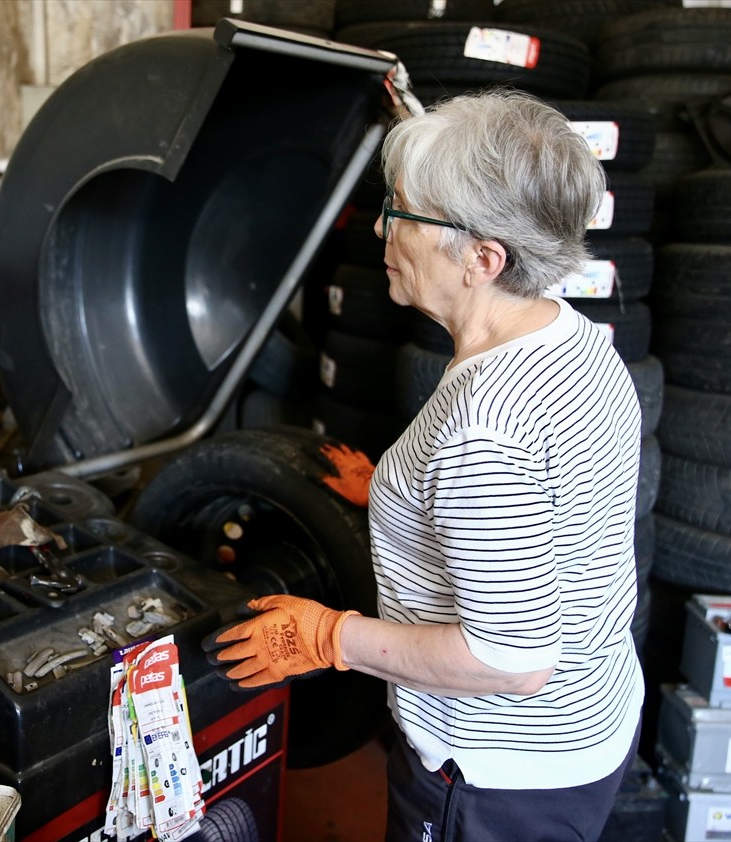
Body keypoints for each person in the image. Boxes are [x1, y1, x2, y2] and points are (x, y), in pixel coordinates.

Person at [204, 90, 644, 842]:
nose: (382, 228)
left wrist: (329, 638)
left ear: (482, 259)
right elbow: (553, 499)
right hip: (587, 722)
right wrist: (402, 490)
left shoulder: (486, 431)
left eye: (404, 212)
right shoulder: (572, 341)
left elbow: (510, 661)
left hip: (492, 774)